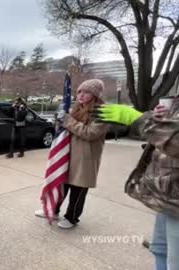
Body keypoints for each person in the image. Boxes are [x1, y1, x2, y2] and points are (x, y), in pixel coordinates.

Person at [94, 96, 179, 270]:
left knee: (175, 261)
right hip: (168, 195)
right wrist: (155, 117)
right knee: (160, 250)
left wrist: (138, 119)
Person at [35, 79, 108, 229]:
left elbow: (91, 133)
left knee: (78, 189)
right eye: (79, 91)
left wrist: (68, 120)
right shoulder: (75, 108)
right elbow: (65, 128)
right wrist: (60, 120)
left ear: (95, 94)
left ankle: (72, 217)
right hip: (68, 153)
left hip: (85, 157)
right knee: (62, 183)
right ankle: (53, 211)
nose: (81, 95)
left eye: (86, 92)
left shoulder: (102, 112)